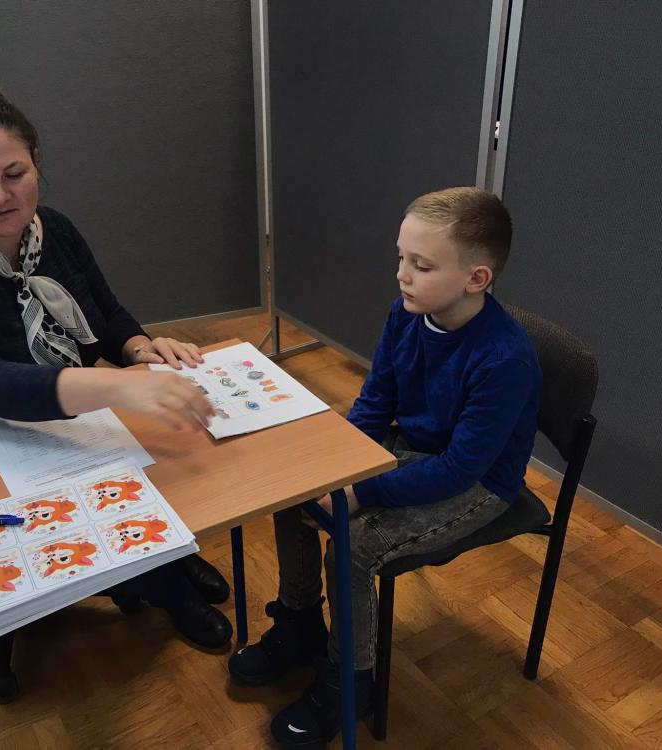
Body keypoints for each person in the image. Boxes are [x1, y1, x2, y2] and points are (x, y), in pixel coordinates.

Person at [0, 79, 232, 648]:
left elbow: (106, 312)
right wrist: (117, 388)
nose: (0, 196)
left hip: (41, 412)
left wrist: (139, 350)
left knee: (142, 452)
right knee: (105, 466)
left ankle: (162, 557)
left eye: (14, 174)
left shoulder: (53, 230)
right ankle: (163, 583)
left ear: (36, 162)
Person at [227, 187, 542, 747]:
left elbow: (459, 468)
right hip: (416, 447)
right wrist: (336, 465)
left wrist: (362, 491)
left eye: (421, 265)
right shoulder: (408, 312)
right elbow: (376, 400)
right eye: (401, 257)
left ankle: (352, 680)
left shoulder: (504, 360)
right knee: (298, 493)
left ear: (476, 279)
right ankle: (300, 623)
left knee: (351, 547)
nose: (401, 274)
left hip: (478, 481)